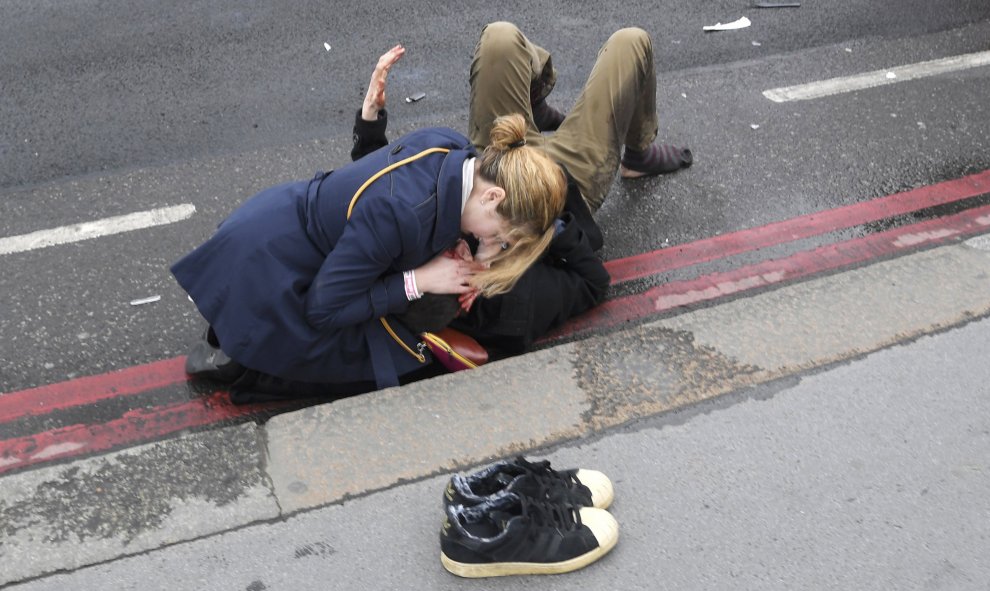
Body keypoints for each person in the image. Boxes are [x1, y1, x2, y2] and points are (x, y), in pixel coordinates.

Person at [172, 104, 567, 398]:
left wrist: (469, 252)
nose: (495, 246)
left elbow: (379, 188)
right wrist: (418, 280)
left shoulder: (454, 148)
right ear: (494, 196)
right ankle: (241, 359)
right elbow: (323, 309)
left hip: (282, 228)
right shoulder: (400, 215)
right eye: (501, 236)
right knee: (381, 365)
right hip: (272, 272)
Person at [352, 23, 691, 357]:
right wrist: (544, 224)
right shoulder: (514, 310)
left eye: (445, 254)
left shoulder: (414, 252)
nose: (457, 248)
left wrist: (370, 122)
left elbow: (380, 195)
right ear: (466, 294)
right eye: (460, 263)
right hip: (564, 182)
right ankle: (637, 151)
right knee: (631, 42)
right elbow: (593, 283)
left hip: (499, 157)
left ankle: (532, 108)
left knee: (500, 38)